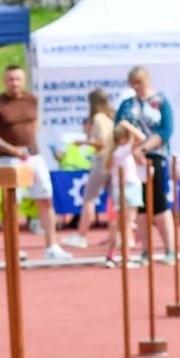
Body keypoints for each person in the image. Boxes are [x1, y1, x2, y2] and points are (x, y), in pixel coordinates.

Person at [0, 64, 71, 261]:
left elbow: (35, 123)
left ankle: (51, 245)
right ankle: (13, 247)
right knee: (11, 203)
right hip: (8, 158)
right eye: (10, 79)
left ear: (23, 80)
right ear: (5, 81)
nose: (14, 83)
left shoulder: (31, 100)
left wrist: (28, 144)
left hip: (33, 156)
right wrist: (12, 149)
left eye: (17, 79)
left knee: (45, 198)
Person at [115, 67, 176, 262]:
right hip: (132, 161)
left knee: (159, 204)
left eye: (139, 82)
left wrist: (144, 148)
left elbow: (165, 131)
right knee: (139, 206)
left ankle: (169, 250)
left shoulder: (160, 102)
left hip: (155, 156)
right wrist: (133, 150)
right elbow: (118, 128)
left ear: (147, 80)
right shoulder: (127, 104)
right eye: (132, 83)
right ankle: (146, 251)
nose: (136, 87)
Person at [66, 88, 116, 250]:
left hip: (102, 160)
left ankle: (81, 235)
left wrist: (84, 142)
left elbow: (102, 142)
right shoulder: (110, 117)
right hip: (111, 161)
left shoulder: (99, 118)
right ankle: (115, 235)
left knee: (89, 197)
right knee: (114, 199)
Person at [103, 120, 145, 268]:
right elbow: (142, 137)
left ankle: (111, 255)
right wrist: (128, 125)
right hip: (129, 188)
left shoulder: (113, 152)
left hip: (118, 189)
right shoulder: (124, 149)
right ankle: (126, 257)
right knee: (127, 225)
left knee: (119, 225)